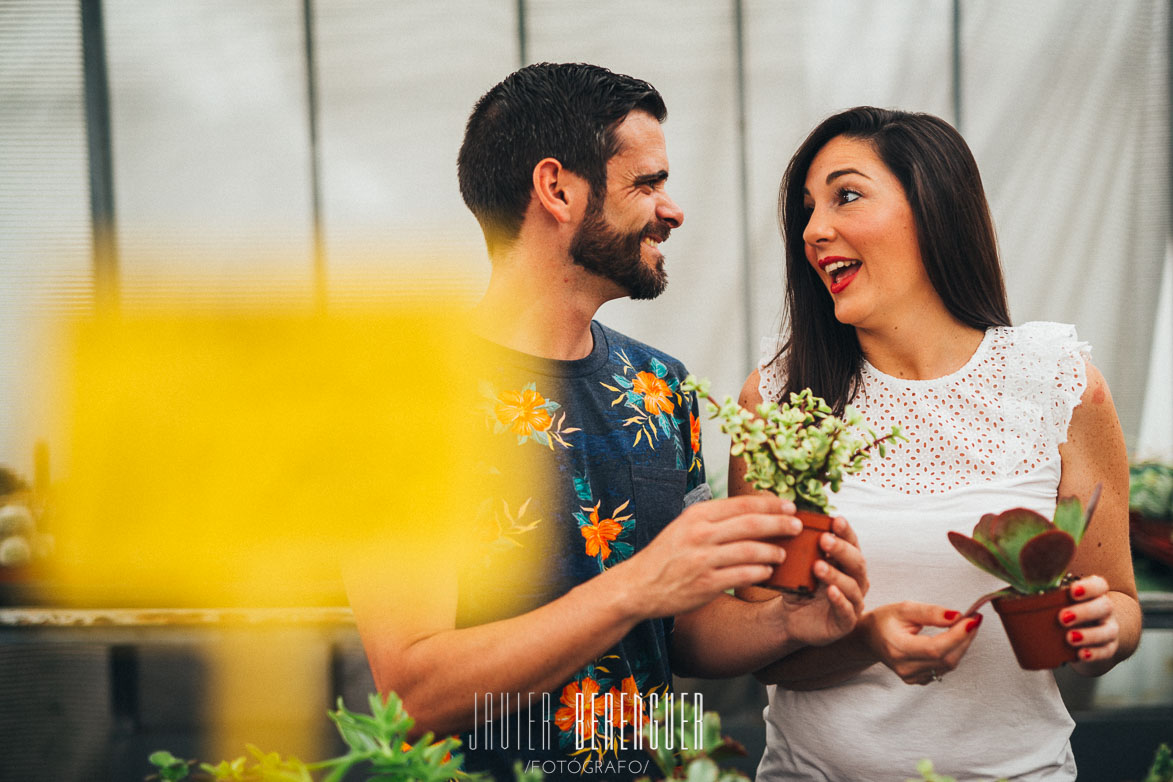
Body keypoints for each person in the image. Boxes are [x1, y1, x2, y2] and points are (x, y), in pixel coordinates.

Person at [345, 63, 870, 781]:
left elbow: (677, 634)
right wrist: (638, 583)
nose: (672, 209)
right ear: (556, 189)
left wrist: (784, 622)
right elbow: (410, 691)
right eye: (646, 183)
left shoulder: (661, 387)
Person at [734, 106, 1141, 780]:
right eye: (806, 208)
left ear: (932, 207)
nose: (812, 231)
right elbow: (762, 653)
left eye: (846, 194)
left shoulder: (1058, 382)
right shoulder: (776, 401)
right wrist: (864, 640)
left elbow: (1120, 604)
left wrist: (1104, 628)